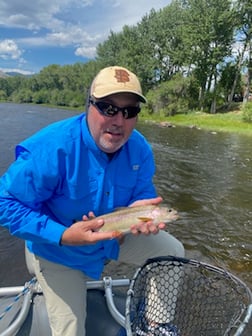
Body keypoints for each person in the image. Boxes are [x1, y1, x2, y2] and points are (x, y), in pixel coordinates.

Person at [0, 66, 184, 336]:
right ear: (88, 105)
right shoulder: (51, 148)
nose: (118, 121)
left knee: (173, 253)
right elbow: (5, 203)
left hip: (112, 238)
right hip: (57, 252)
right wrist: (63, 235)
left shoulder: (140, 149)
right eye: (108, 108)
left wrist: (142, 211)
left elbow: (143, 193)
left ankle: (156, 327)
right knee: (71, 331)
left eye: (129, 111)